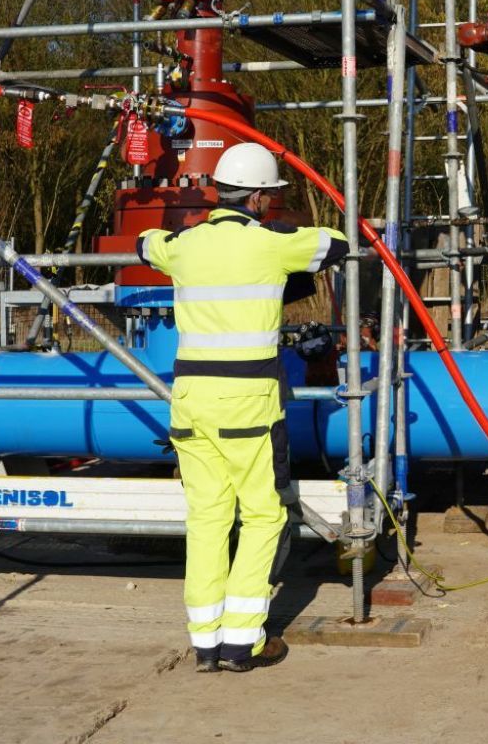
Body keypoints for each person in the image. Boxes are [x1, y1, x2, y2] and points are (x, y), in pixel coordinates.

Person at [138, 142, 347, 673]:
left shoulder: (183, 246)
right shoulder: (271, 244)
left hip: (190, 407)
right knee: (261, 516)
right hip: (248, 408)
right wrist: (286, 238)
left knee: (207, 521)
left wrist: (171, 235)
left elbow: (146, 243)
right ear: (257, 197)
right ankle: (243, 641)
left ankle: (205, 642)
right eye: (270, 198)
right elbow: (336, 244)